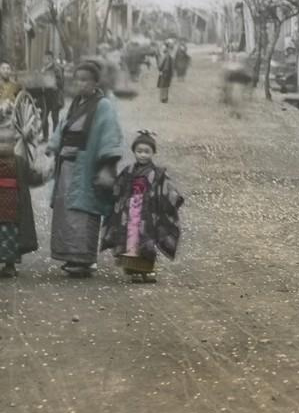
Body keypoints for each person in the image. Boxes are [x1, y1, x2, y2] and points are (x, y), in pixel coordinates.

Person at [47, 60, 123, 276]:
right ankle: (71, 256)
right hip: (68, 167)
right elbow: (63, 127)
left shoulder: (103, 105)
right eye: (78, 80)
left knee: (83, 212)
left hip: (86, 166)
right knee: (66, 212)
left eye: (85, 80)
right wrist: (53, 146)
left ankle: (85, 260)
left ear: (95, 82)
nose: (81, 84)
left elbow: (110, 134)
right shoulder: (76, 103)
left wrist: (107, 165)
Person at [102, 130, 185, 283]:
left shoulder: (157, 173)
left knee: (147, 242)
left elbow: (168, 189)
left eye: (147, 151)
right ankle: (133, 270)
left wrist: (173, 199)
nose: (143, 155)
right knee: (131, 243)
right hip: (131, 211)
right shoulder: (128, 171)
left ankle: (147, 270)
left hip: (148, 214)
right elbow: (118, 188)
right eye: (139, 151)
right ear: (134, 152)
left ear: (153, 152)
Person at [0, 68, 41, 278]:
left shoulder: (16, 156)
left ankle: (9, 264)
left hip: (10, 197)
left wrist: (24, 134)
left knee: (9, 230)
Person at [40, 51, 66, 141]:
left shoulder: (56, 68)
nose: (43, 60)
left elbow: (60, 82)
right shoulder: (44, 68)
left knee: (55, 118)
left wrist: (51, 81)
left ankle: (55, 138)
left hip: (55, 97)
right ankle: (45, 137)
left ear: (49, 58)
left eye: (45, 58)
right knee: (44, 116)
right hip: (47, 97)